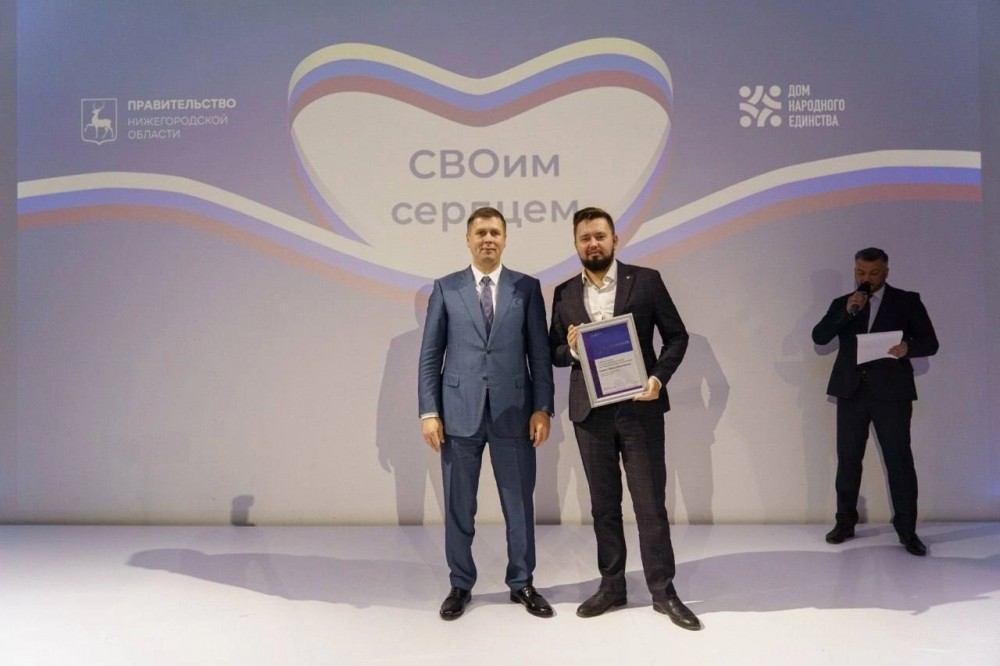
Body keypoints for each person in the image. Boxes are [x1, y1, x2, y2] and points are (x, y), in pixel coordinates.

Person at [549, 206, 701, 630]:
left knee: (650, 504)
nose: (593, 244)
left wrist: (657, 378)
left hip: (640, 409)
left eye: (600, 236)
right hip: (590, 414)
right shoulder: (563, 293)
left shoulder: (646, 281)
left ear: (615, 240)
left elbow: (677, 336)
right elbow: (552, 352)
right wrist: (573, 348)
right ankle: (612, 585)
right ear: (576, 245)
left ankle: (663, 591)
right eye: (585, 238)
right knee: (603, 506)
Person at [418, 206, 555, 620]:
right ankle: (461, 584)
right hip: (459, 414)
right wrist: (429, 411)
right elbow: (430, 356)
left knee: (519, 505)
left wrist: (542, 407)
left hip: (515, 412)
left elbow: (539, 355)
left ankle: (522, 582)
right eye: (480, 233)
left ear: (505, 238)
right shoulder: (446, 288)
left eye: (495, 232)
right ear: (468, 239)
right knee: (460, 506)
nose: (488, 239)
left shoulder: (527, 288)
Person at [812, 247, 939, 556]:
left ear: (886, 272)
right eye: (860, 272)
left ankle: (907, 530)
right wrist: (847, 312)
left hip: (892, 394)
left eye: (873, 273)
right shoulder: (844, 303)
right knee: (848, 459)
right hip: (851, 391)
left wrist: (907, 348)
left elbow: (930, 342)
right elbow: (820, 337)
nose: (866, 278)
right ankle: (845, 522)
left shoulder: (907, 301)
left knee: (899, 461)